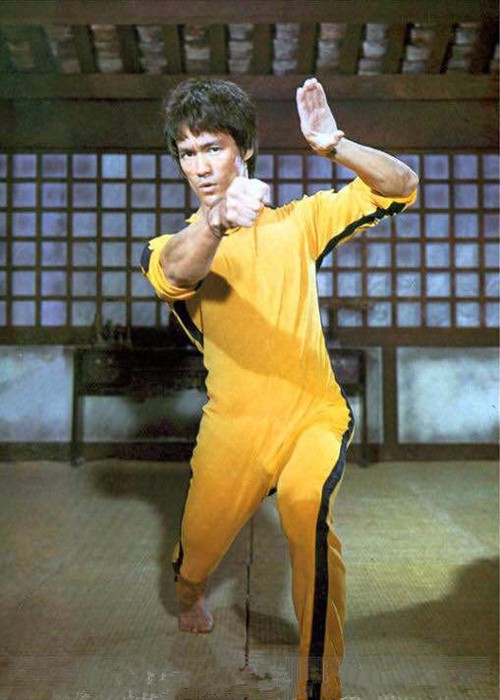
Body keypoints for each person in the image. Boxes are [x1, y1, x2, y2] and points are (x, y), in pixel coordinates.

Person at [141, 77, 418, 700]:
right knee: (196, 555)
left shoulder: (298, 224)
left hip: (312, 415)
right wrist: (215, 222)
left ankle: (318, 686)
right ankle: (189, 592)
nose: (200, 166)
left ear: (244, 149)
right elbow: (176, 272)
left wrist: (335, 143)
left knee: (306, 510)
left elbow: (401, 185)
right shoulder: (172, 245)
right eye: (187, 153)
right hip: (234, 428)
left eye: (213, 148)